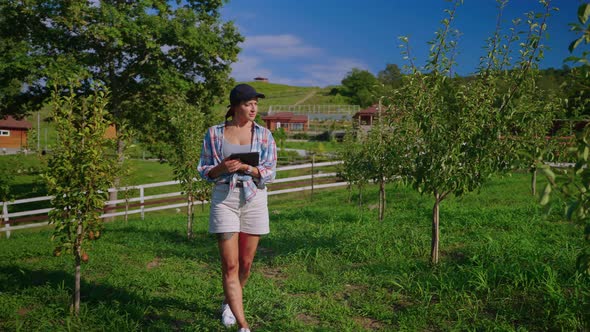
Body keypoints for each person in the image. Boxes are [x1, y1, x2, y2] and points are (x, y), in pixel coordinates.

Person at [198, 84, 277, 332]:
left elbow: (270, 171)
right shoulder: (214, 134)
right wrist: (222, 167)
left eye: (255, 103)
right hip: (225, 198)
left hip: (254, 198)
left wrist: (248, 169)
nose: (254, 108)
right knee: (230, 265)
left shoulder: (265, 135)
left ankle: (229, 302)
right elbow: (205, 170)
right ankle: (243, 325)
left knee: (245, 263)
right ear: (234, 107)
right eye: (248, 104)